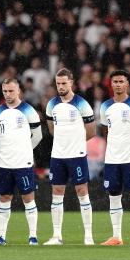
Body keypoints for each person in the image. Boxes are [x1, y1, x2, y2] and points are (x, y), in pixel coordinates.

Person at [0, 78, 42, 246]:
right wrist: (7, 150)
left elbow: (38, 136)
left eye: (11, 91)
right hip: (5, 163)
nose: (8, 94)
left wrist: (25, 149)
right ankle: (1, 236)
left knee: (28, 197)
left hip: (23, 163)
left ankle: (33, 236)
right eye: (5, 91)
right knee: (4, 197)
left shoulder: (28, 111)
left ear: (18, 91)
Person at [44, 68, 96, 246]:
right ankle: (56, 236)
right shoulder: (51, 105)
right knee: (57, 194)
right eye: (58, 84)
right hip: (57, 156)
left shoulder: (82, 104)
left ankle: (88, 236)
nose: (60, 87)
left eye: (64, 83)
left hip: (77, 155)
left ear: (71, 82)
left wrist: (75, 143)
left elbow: (91, 131)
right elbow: (52, 129)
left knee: (82, 192)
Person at [98, 70, 130, 246]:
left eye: (121, 81)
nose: (118, 84)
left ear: (127, 84)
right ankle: (116, 236)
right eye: (115, 82)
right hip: (112, 159)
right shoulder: (105, 107)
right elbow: (105, 131)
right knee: (114, 195)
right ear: (111, 84)